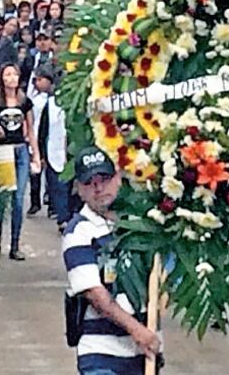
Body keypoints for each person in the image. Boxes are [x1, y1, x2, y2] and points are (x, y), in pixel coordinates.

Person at [62, 148, 161, 374]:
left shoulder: (140, 222)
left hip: (144, 356)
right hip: (101, 355)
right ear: (79, 189)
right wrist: (138, 331)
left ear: (117, 178)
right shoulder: (78, 232)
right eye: (90, 182)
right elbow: (96, 296)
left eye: (104, 179)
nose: (98, 188)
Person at [0, 63, 41, 261]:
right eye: (7, 74)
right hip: (1, 152)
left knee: (18, 199)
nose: (12, 78)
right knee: (1, 198)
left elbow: (31, 130)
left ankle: (15, 244)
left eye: (14, 74)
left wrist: (35, 154)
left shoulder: (25, 102)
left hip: (20, 151)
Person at [32, 63, 72, 231]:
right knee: (57, 186)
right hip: (53, 150)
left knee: (71, 188)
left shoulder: (75, 104)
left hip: (71, 150)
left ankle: (71, 216)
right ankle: (62, 218)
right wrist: (40, 153)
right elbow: (43, 129)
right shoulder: (51, 104)